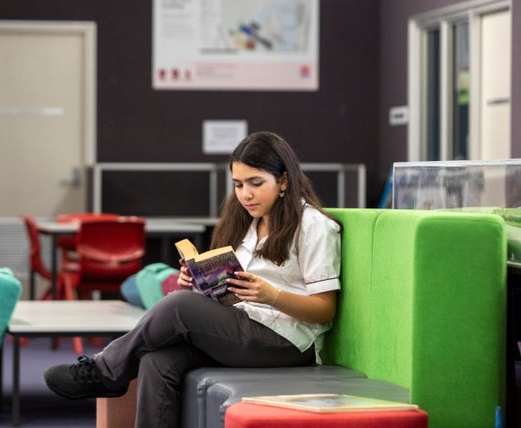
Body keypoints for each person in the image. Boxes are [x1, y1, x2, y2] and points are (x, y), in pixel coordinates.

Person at [44, 131, 342, 428]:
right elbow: (234, 288)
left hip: (288, 343)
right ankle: (109, 372)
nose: (245, 195)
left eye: (255, 183)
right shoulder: (248, 222)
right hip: (244, 324)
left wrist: (271, 295)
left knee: (178, 305)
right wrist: (201, 280)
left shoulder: (314, 226)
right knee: (156, 361)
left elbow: (325, 308)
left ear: (284, 181)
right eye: (238, 185)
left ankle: (106, 371)